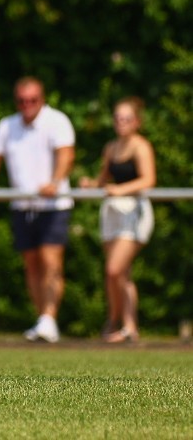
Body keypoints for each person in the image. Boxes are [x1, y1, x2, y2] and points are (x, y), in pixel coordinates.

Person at [0, 76, 75, 343]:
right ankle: (43, 319)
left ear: (42, 99)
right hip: (22, 205)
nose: (27, 105)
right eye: (21, 100)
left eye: (33, 100)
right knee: (31, 264)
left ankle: (49, 318)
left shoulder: (57, 121)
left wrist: (55, 182)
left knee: (51, 262)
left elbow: (66, 155)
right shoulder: (7, 125)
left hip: (53, 205)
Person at [79, 97, 156, 343]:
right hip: (112, 214)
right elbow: (103, 181)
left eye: (126, 118)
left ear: (137, 122)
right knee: (120, 273)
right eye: (117, 118)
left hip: (133, 214)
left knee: (114, 270)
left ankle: (119, 323)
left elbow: (148, 180)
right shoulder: (111, 147)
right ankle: (124, 326)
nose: (121, 122)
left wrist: (119, 190)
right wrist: (91, 184)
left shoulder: (141, 147)